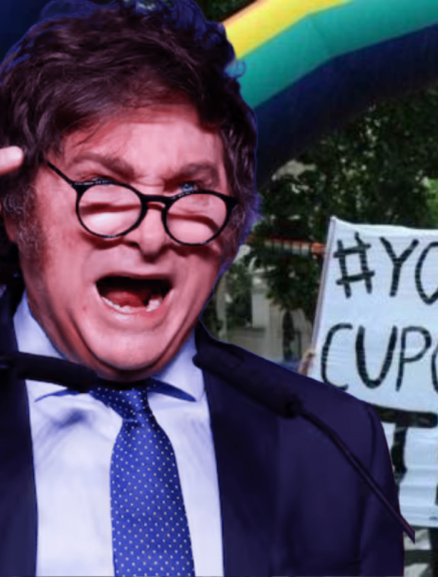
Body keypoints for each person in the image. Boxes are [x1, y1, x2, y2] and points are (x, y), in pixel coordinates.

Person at [0, 1, 403, 575]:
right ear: (16, 209)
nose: (149, 235)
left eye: (191, 193)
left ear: (231, 232)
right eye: (102, 185)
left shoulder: (335, 441)